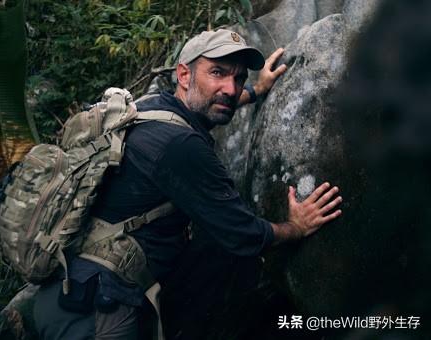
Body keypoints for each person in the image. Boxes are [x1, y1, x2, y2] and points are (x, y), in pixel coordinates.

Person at [34, 29, 342, 340]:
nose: (230, 88)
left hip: (63, 291)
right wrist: (296, 226)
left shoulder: (148, 107)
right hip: (101, 312)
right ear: (184, 74)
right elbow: (243, 234)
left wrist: (256, 89)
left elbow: (211, 105)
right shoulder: (180, 146)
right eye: (218, 73)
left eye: (237, 78)